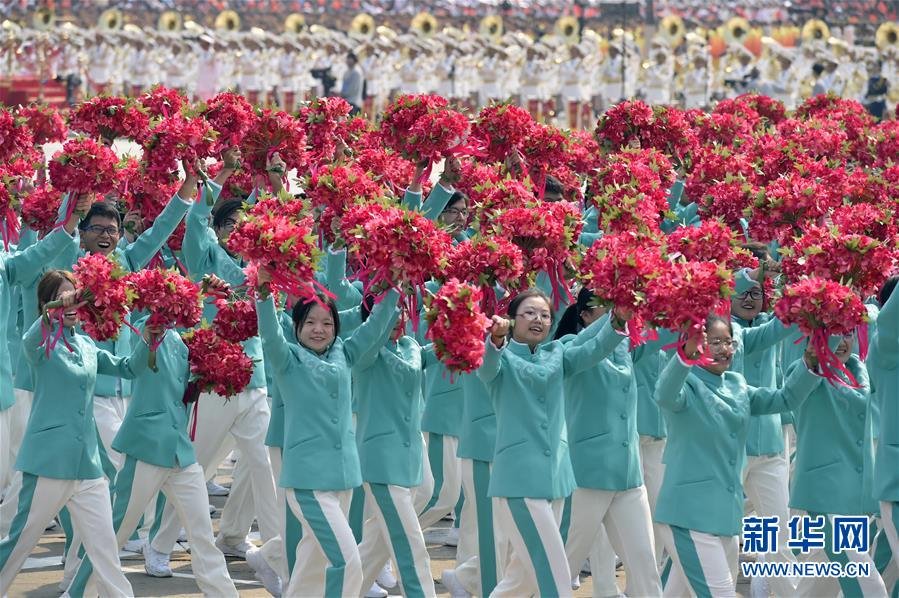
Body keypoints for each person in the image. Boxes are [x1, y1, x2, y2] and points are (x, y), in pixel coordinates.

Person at [63, 283, 239, 596]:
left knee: (201, 533)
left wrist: (206, 380)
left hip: (181, 454)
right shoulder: (152, 331)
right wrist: (149, 336)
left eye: (181, 303)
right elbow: (136, 364)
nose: (176, 309)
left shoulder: (185, 344)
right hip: (145, 449)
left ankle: (225, 593)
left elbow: (182, 394)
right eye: (170, 303)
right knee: (115, 532)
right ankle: (77, 592)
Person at [0, 269, 153, 596]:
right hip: (48, 462)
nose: (72, 304)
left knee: (105, 550)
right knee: (18, 544)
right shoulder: (40, 342)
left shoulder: (85, 344)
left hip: (88, 465)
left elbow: (129, 369)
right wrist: (53, 308)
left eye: (75, 296)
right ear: (47, 302)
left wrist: (150, 338)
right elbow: (31, 337)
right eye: (64, 296)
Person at [256, 264, 401, 597]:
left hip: (344, 477)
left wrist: (394, 287)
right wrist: (263, 293)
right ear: (297, 327)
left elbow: (375, 324)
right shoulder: (287, 360)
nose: (318, 330)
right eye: (310, 323)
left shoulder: (345, 354)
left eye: (327, 323)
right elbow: (269, 334)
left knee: (311, 563)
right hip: (308, 481)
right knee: (347, 562)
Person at [654, 315, 822, 597]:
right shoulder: (688, 384)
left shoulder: (738, 385)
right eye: (714, 342)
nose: (723, 349)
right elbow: (665, 394)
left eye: (728, 342)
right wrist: (685, 355)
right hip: (688, 517)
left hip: (724, 519)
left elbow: (785, 399)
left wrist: (810, 362)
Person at [480, 289, 628, 597]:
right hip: (519, 483)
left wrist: (617, 318)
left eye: (545, 315)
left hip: (557, 480)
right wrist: (495, 340)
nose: (538, 319)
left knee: (522, 580)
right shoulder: (501, 357)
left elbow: (594, 349)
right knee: (555, 577)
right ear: (512, 319)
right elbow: (488, 366)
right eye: (529, 313)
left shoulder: (557, 355)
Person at [554, 289, 662, 597]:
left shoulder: (627, 346)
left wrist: (688, 297)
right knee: (564, 563)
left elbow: (665, 330)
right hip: (587, 476)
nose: (620, 312)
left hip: (628, 476)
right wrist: (615, 321)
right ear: (585, 316)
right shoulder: (567, 347)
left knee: (644, 564)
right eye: (608, 308)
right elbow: (592, 350)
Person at [789, 332, 888, 597]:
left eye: (847, 334)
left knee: (820, 585)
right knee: (869, 586)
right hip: (825, 495)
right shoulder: (806, 375)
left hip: (855, 496)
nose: (841, 341)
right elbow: (793, 390)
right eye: (832, 335)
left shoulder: (858, 373)